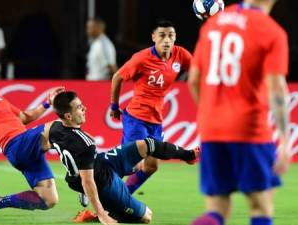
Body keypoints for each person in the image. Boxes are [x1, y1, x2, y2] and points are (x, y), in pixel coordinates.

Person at [188, 1, 291, 225]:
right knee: (260, 205)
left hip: (212, 129)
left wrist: (211, 113)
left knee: (217, 208)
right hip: (249, 129)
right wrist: (285, 139)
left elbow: (194, 80)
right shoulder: (271, 30)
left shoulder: (213, 24)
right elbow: (276, 88)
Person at [49, 91, 200, 224]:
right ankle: (100, 215)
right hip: (104, 184)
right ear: (68, 116)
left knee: (147, 145)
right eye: (79, 108)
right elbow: (87, 181)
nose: (84, 109)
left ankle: (189, 155)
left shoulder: (55, 127)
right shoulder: (84, 145)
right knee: (147, 216)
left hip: (102, 163)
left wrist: (51, 102)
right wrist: (102, 215)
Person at [0, 63, 64, 219]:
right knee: (58, 127)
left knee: (49, 200)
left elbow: (25, 118)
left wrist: (47, 102)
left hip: (27, 149)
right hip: (16, 146)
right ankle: (80, 179)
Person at [110, 19, 193, 194]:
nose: (167, 40)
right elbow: (117, 77)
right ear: (154, 37)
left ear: (175, 37)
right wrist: (114, 105)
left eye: (171, 35)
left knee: (151, 165)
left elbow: (198, 70)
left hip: (156, 120)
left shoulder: (181, 55)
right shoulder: (142, 58)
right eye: (162, 35)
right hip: (136, 119)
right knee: (132, 162)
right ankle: (96, 186)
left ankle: (120, 196)